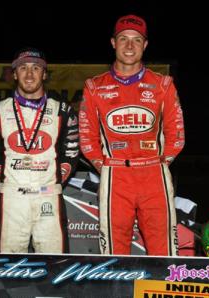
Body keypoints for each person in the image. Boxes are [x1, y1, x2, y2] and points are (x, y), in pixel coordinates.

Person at [79, 15, 185, 256]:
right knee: (113, 251)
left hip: (154, 175)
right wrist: (105, 166)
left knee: (164, 249)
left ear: (145, 45)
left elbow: (176, 133)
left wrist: (157, 164)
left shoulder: (163, 84)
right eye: (123, 39)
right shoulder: (94, 86)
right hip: (115, 175)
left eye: (136, 40)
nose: (129, 46)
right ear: (113, 43)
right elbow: (87, 137)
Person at [0, 48, 80, 253]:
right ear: (14, 74)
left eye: (36, 68)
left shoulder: (63, 110)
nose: (29, 74)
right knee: (8, 266)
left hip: (48, 197)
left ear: (44, 74)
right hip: (12, 198)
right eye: (23, 68)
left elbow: (71, 152)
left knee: (55, 265)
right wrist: (8, 181)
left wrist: (53, 182)